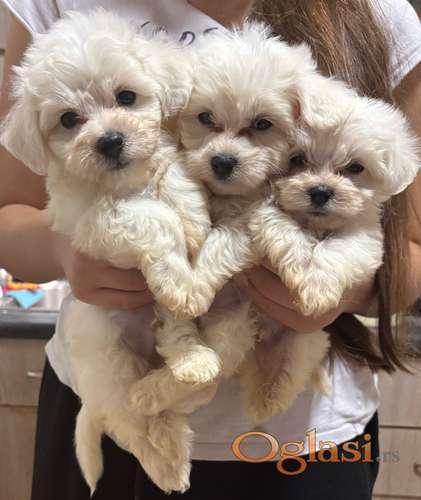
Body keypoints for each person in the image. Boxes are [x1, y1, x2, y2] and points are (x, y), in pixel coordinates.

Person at [0, 0, 421, 499]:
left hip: (308, 434)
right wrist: (67, 245)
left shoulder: (381, 14)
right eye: (205, 120)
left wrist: (337, 281)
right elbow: (10, 215)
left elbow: (410, 249)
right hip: (113, 399)